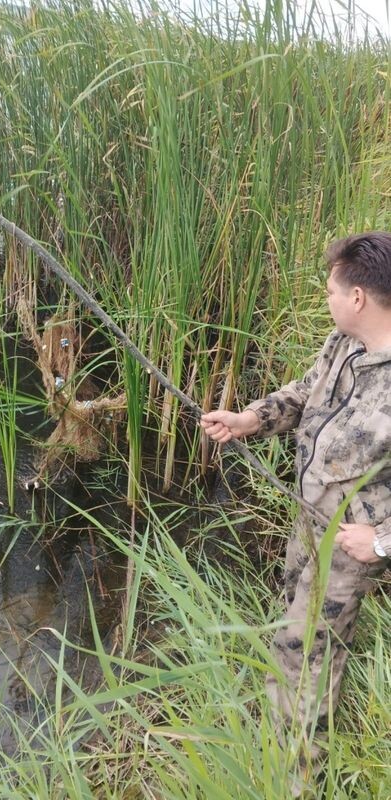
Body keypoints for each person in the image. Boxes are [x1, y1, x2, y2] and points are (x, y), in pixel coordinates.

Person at [200, 232, 391, 782]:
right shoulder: (343, 343)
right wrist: (250, 419)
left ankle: (299, 775)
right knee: (291, 611)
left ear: (358, 297)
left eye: (331, 289)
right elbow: (308, 390)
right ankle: (282, 732)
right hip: (309, 514)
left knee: (305, 646)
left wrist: (379, 540)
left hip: (354, 540)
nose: (326, 297)